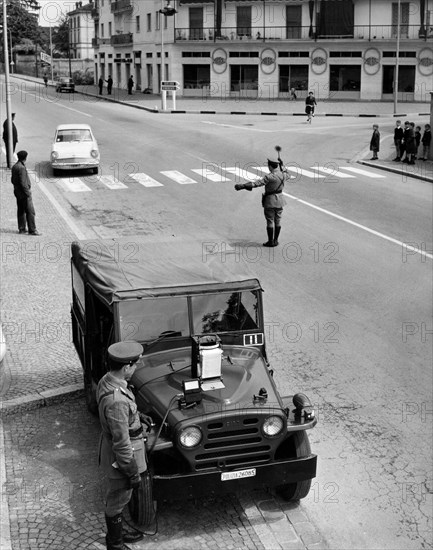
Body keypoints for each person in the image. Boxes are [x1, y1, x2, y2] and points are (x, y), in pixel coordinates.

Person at [97, 341, 152, 550]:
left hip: (118, 448)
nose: (136, 368)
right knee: (118, 499)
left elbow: (121, 419)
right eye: (135, 365)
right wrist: (132, 473)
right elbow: (121, 443)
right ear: (126, 367)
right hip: (122, 458)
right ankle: (115, 543)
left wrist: (138, 417)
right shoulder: (116, 400)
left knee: (119, 497)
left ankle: (117, 533)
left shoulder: (108, 380)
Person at [234, 157, 290, 247]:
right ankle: (276, 241)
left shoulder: (269, 177)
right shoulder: (283, 175)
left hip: (270, 201)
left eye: (268, 165)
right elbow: (287, 173)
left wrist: (243, 186)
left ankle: (270, 242)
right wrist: (282, 165)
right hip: (280, 201)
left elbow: (257, 183)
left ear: (271, 166)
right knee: (278, 220)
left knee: (270, 221)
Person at [11, 151, 40, 236]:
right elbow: (23, 183)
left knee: (20, 210)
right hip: (24, 193)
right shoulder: (22, 168)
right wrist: (28, 193)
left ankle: (22, 228)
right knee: (30, 211)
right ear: (25, 158)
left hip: (17, 192)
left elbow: (12, 180)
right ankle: (32, 230)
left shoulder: (14, 166)